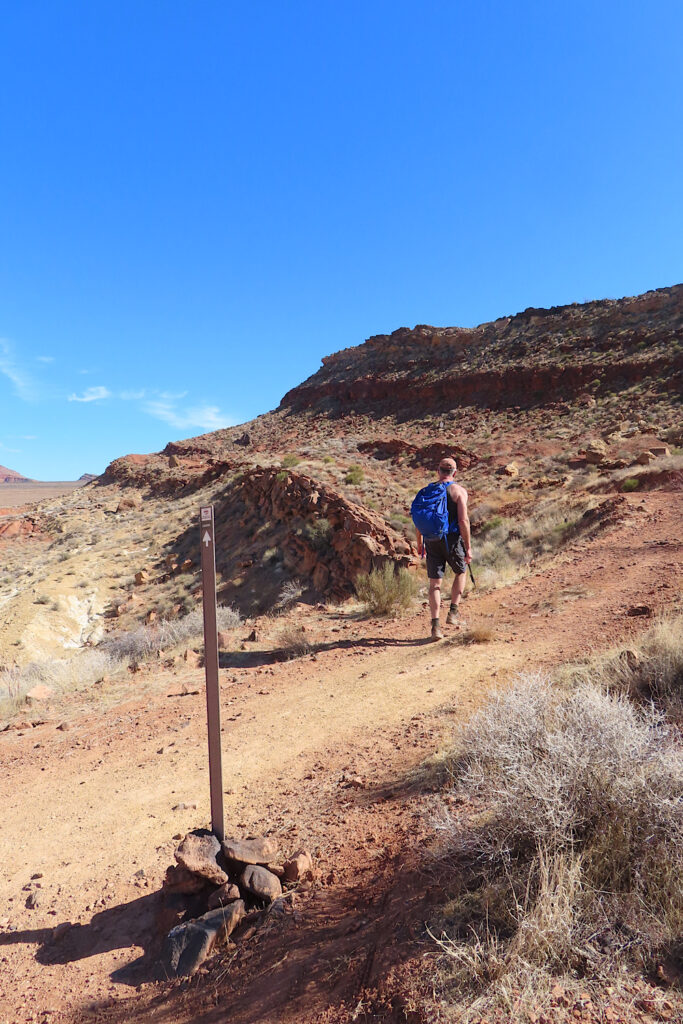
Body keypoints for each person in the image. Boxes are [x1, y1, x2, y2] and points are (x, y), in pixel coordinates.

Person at [415, 457, 472, 640]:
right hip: (452, 540)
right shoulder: (458, 491)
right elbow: (463, 521)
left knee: (434, 585)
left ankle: (435, 627)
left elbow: (418, 520)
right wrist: (468, 547)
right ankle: (453, 613)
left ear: (438, 471)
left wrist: (419, 544)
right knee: (461, 572)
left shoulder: (426, 492)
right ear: (454, 473)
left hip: (431, 540)